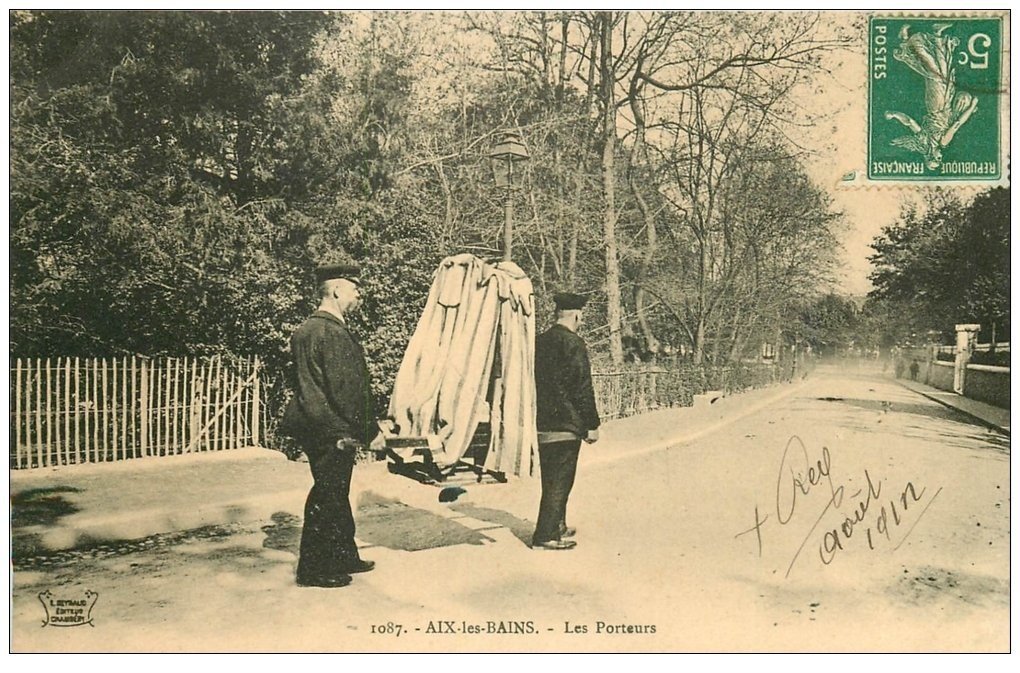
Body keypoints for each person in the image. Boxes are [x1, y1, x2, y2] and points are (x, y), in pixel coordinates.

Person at [280, 263, 382, 588]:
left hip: (315, 426)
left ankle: (343, 555)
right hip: (333, 430)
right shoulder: (333, 332)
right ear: (337, 290)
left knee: (336, 490)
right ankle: (313, 569)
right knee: (328, 493)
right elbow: (348, 391)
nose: (359, 294)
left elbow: (299, 381)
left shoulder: (305, 330)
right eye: (355, 289)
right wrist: (372, 432)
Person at [531, 292, 601, 551]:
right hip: (567, 423)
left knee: (551, 477)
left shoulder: (539, 341)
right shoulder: (573, 343)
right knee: (561, 479)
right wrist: (591, 423)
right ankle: (546, 534)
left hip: (543, 420)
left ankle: (557, 524)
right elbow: (582, 386)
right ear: (576, 315)